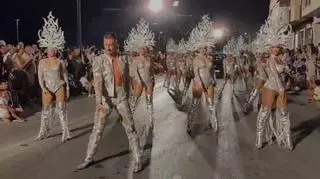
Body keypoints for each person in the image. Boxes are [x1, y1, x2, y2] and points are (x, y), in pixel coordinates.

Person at [76, 32, 143, 173]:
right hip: (106, 99)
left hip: (121, 97)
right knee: (98, 128)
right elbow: (98, 82)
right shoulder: (99, 60)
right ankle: (89, 157)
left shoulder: (125, 59)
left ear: (116, 44)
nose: (108, 47)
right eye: (106, 45)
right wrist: (98, 102)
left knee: (130, 127)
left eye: (111, 44)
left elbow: (132, 76)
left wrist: (135, 91)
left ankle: (138, 158)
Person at [255, 3, 293, 150]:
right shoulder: (269, 59)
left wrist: (290, 74)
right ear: (269, 47)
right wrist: (282, 88)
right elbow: (275, 75)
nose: (276, 49)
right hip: (271, 87)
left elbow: (285, 72)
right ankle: (259, 138)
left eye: (278, 47)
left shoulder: (281, 59)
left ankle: (287, 139)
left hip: (281, 88)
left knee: (284, 113)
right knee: (264, 112)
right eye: (273, 47)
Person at [35, 11, 71, 143]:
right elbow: (40, 77)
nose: (51, 51)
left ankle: (65, 132)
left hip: (59, 86)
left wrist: (67, 89)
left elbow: (65, 76)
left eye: (53, 49)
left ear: (56, 50)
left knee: (61, 110)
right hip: (47, 88)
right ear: (46, 49)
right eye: (49, 49)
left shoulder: (60, 62)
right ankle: (42, 133)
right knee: (45, 112)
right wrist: (43, 88)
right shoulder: (42, 62)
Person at [186, 15, 218, 134]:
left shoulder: (209, 58)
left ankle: (213, 121)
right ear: (197, 48)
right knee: (195, 104)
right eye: (201, 48)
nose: (203, 49)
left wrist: (213, 80)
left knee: (211, 103)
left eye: (204, 47)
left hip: (209, 82)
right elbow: (195, 73)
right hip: (198, 84)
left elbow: (212, 70)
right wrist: (200, 84)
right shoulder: (196, 59)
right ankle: (189, 124)